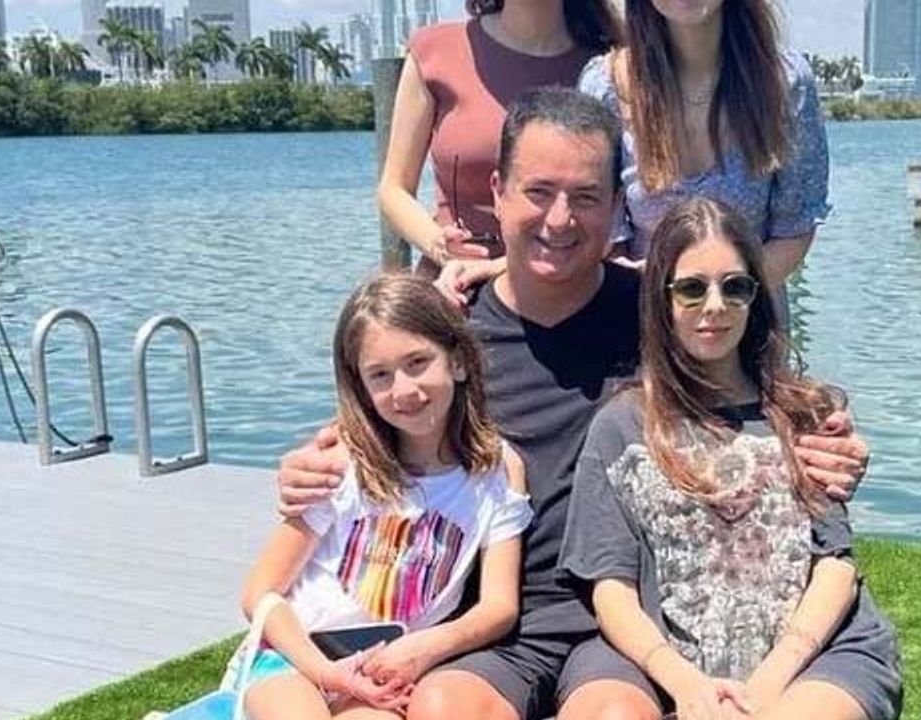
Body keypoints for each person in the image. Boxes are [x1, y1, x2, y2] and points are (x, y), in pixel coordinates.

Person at [278, 88, 871, 720]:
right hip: (494, 623)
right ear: (498, 192)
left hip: (626, 621)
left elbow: (757, 401)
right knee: (443, 708)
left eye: (585, 197)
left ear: (616, 206)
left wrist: (831, 441)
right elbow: (379, 415)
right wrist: (313, 464)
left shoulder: (660, 316)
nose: (560, 219)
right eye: (538, 192)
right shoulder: (449, 339)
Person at [560, 198, 901, 720]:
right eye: (692, 289)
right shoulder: (621, 426)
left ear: (754, 296)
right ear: (662, 299)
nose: (715, 305)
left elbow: (834, 563)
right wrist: (685, 684)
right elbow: (610, 587)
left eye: (735, 287)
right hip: (670, 656)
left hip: (817, 653)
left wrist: (767, 684)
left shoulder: (804, 412)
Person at [237, 274, 534, 720]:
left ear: (457, 361)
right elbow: (259, 591)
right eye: (380, 375)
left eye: (418, 362)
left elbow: (498, 606)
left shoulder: (498, 470)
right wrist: (326, 672)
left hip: (385, 671)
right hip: (293, 661)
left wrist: (425, 647)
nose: (404, 390)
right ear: (361, 386)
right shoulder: (342, 463)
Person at [577, 0, 830, 302]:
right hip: (640, 311)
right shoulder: (604, 86)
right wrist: (664, 290)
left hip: (749, 312)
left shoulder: (786, 83)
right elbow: (603, 233)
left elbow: (794, 229)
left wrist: (721, 292)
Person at [376, 0, 619, 275]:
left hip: (571, 279)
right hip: (455, 281)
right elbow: (393, 189)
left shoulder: (609, 66)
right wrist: (439, 245)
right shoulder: (434, 51)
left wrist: (496, 268)